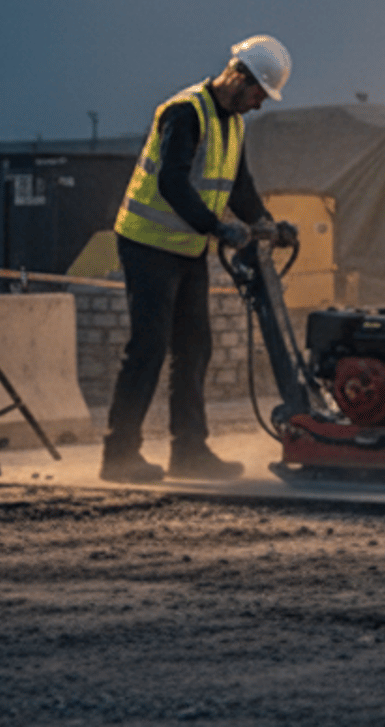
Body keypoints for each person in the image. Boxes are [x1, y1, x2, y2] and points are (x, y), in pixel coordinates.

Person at [100, 35, 296, 483]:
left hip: (187, 247)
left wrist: (266, 223)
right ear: (238, 77)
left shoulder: (235, 124)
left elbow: (238, 186)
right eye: (259, 94)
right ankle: (118, 453)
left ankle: (188, 450)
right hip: (148, 244)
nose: (259, 105)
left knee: (194, 348)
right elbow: (171, 182)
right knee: (148, 346)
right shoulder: (185, 112)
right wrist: (216, 227)